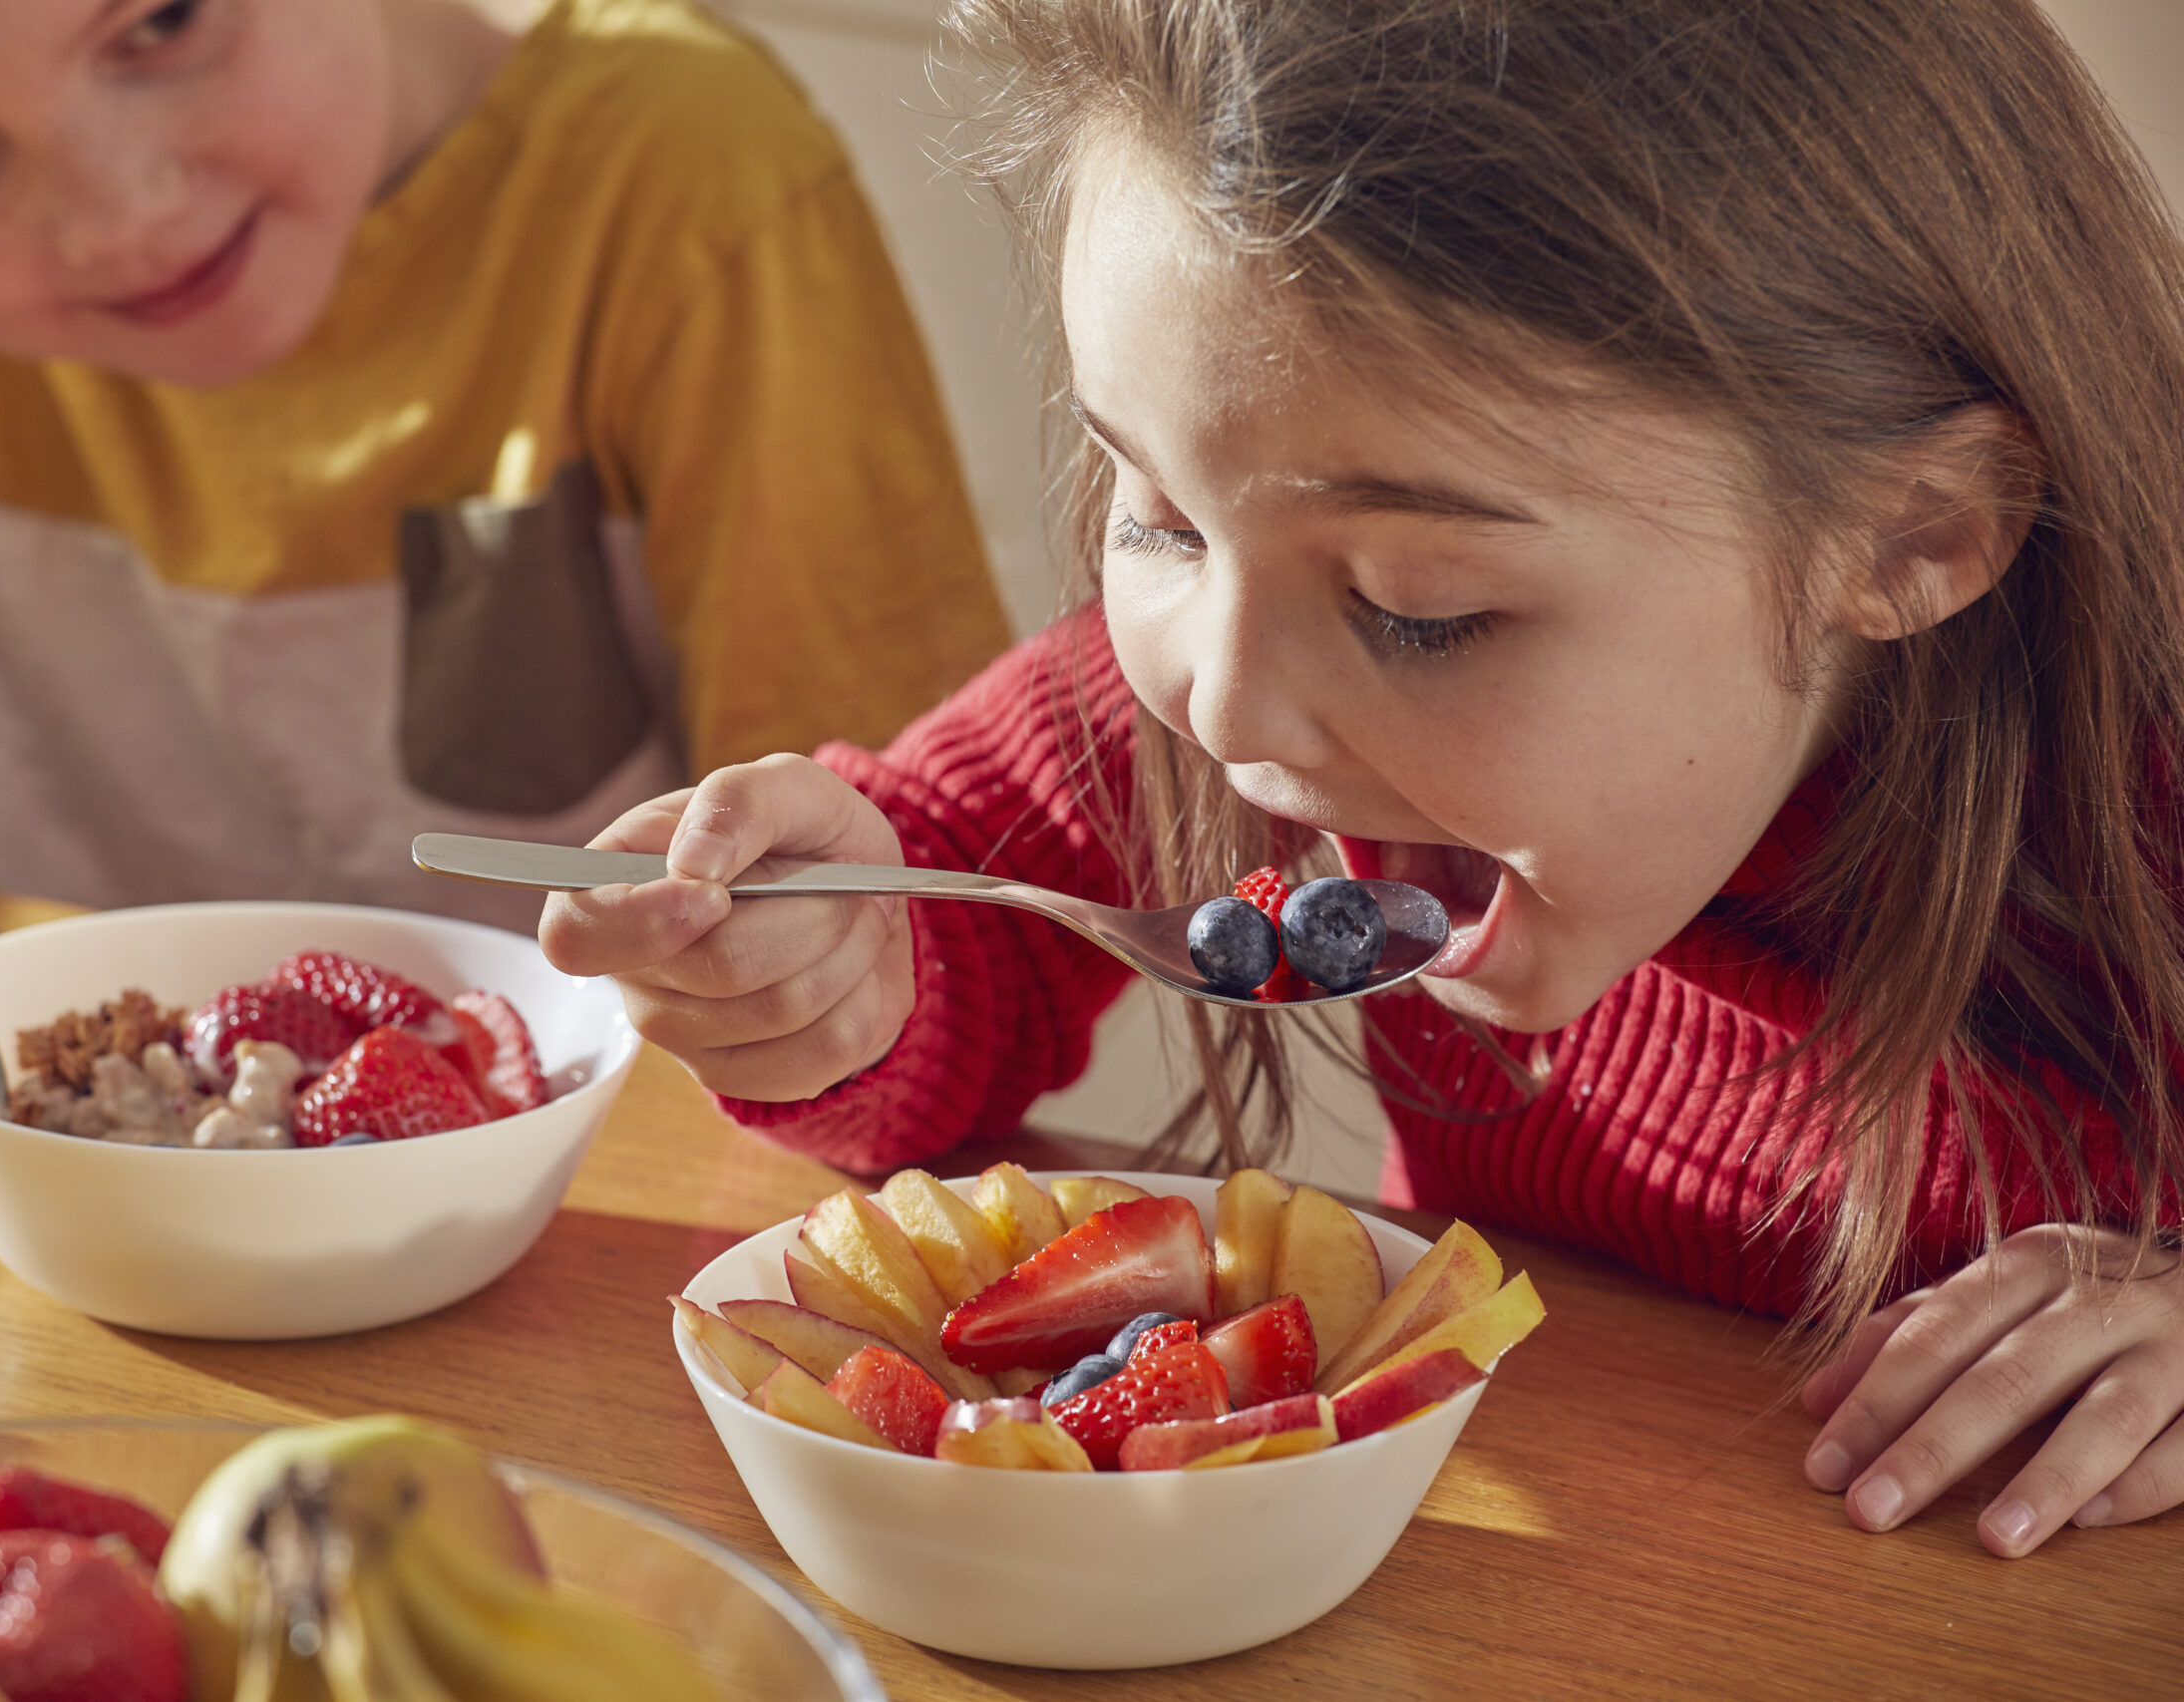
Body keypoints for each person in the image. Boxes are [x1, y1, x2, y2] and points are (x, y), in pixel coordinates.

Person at [542, 0, 2184, 1558]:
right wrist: (835, 968)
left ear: (1914, 535)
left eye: (1421, 607)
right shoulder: (1270, 666)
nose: (1227, 702)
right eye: (1161, 517)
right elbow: (955, 897)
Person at [0, 0, 1009, 1017]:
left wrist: (815, 982)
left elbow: (935, 910)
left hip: (595, 1248)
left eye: (162, 23)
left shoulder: (685, 178)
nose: (119, 216)